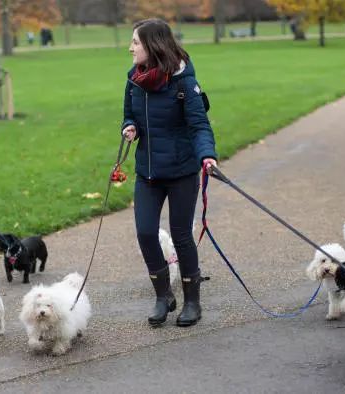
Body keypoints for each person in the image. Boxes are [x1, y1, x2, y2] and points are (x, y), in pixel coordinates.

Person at [121, 18, 217, 327]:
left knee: (180, 235)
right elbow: (127, 115)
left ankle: (192, 301)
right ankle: (164, 296)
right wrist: (130, 127)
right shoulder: (134, 79)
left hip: (181, 171)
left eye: (135, 42)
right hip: (148, 171)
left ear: (152, 45)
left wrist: (207, 156)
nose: (130, 47)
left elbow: (199, 124)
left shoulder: (183, 81)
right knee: (146, 233)